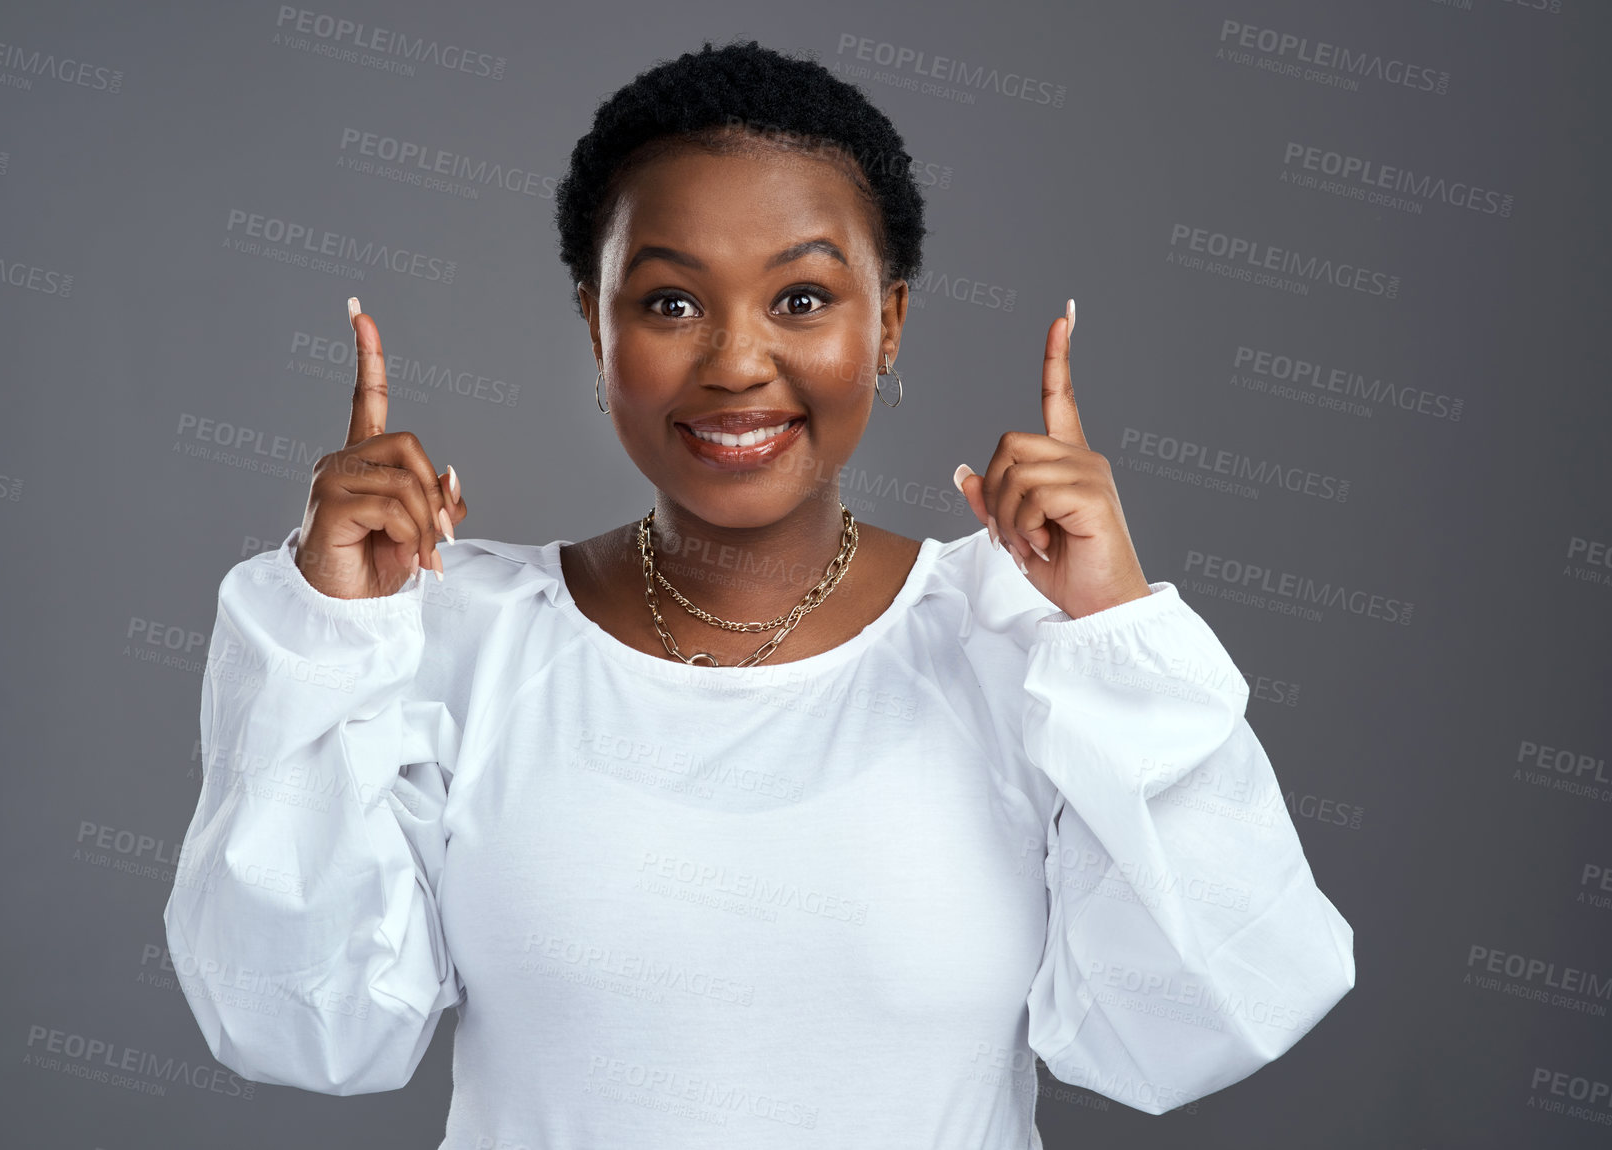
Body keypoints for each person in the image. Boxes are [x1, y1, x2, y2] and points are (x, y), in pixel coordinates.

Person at [163, 38, 1354, 1150]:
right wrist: (334, 629)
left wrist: (1115, 628)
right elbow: (299, 1024)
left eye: (802, 298)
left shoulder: (1020, 644)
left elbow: (1212, 1013)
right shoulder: (453, 638)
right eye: (669, 301)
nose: (736, 361)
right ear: (596, 323)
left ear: (887, 323)